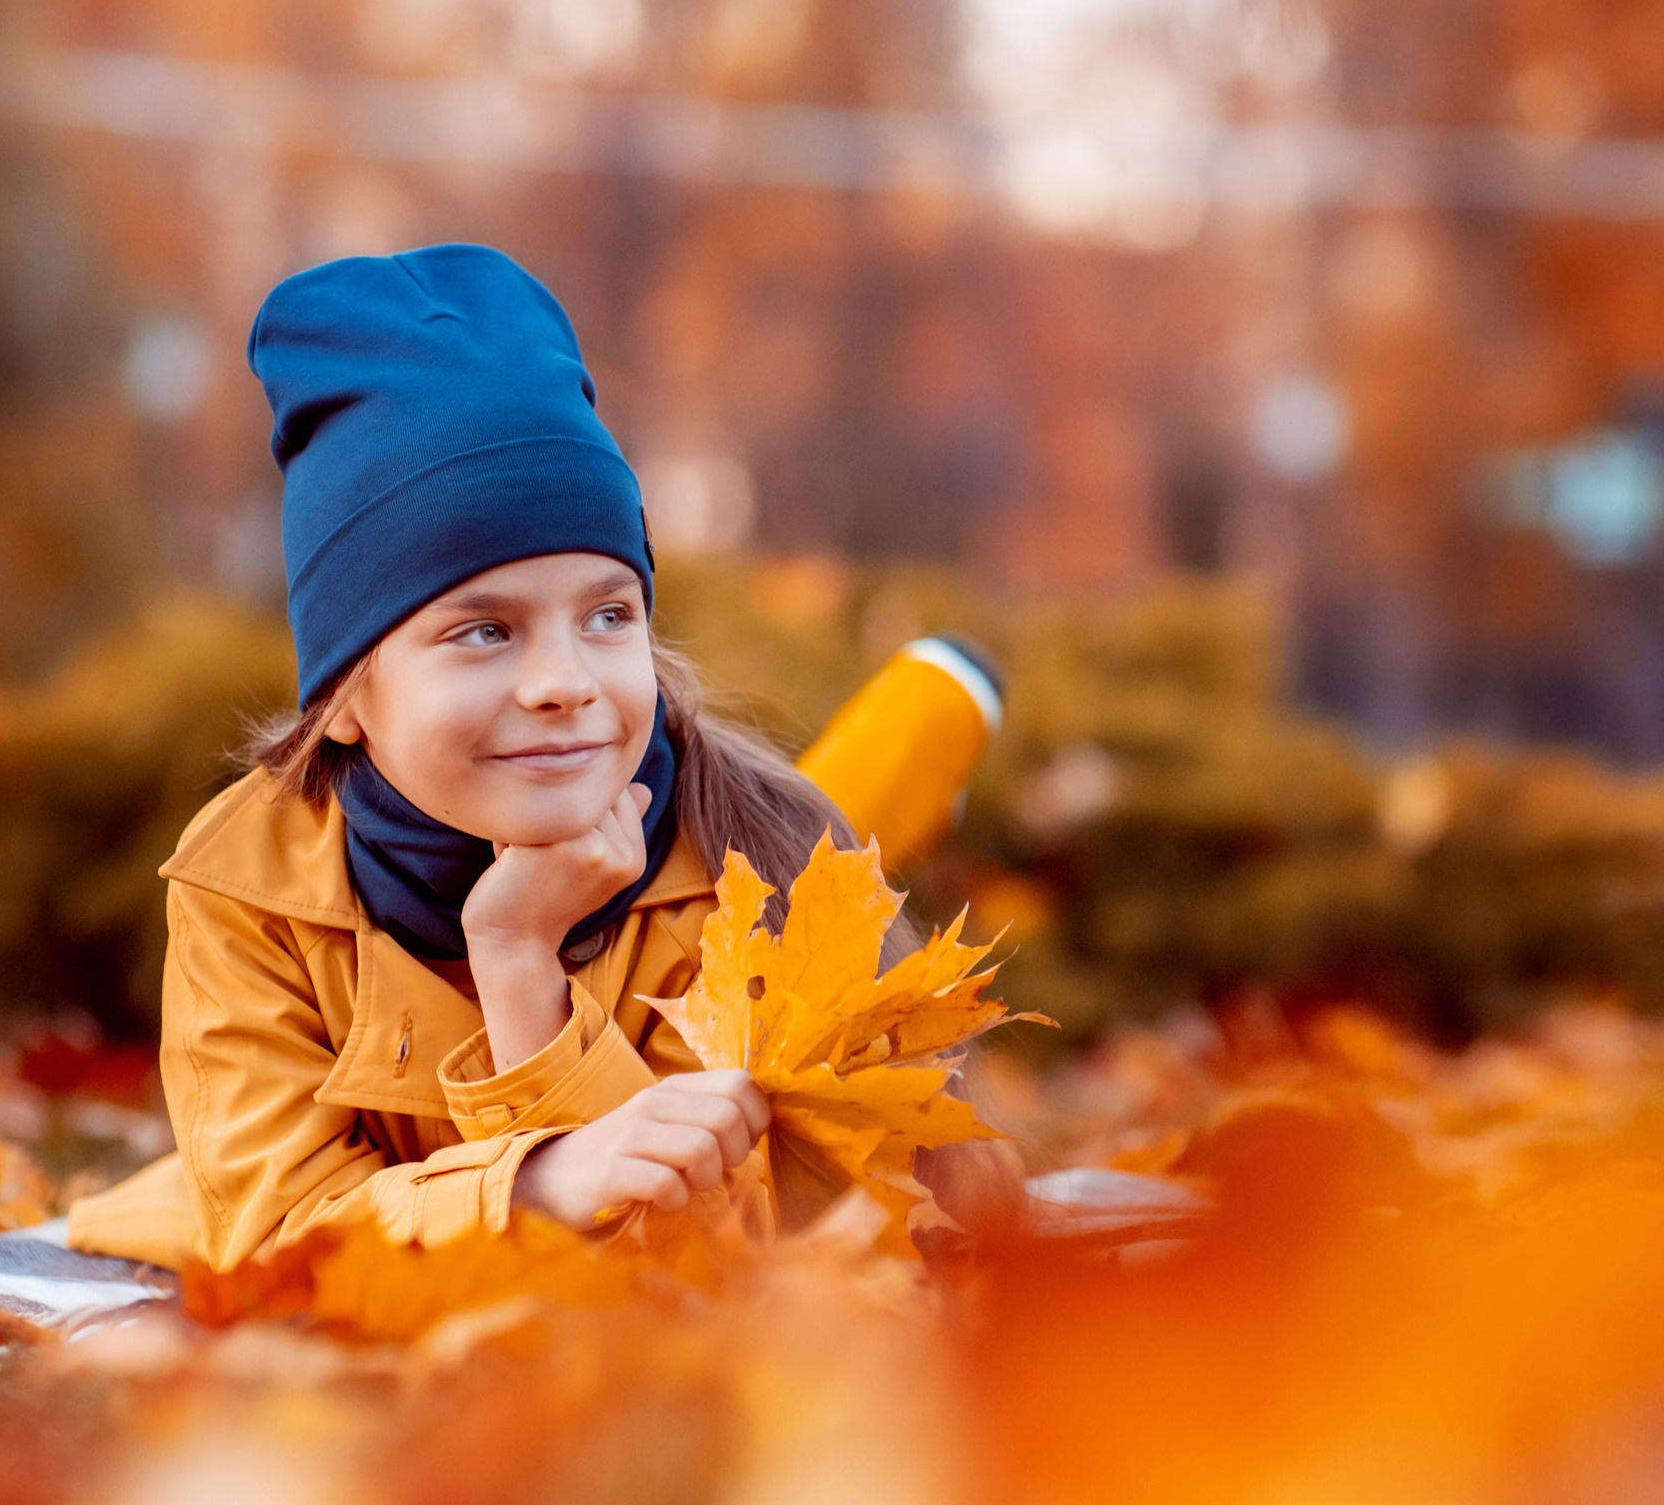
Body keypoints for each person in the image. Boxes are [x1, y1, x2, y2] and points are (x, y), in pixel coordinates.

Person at [66, 244, 999, 1272]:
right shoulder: (252, 885)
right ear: (344, 700)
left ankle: (922, 726)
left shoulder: (760, 876)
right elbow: (280, 1237)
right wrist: (546, 1181)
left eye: (608, 613)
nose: (565, 681)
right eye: (484, 631)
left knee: (822, 822)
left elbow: (763, 1262)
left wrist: (521, 974)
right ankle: (922, 721)